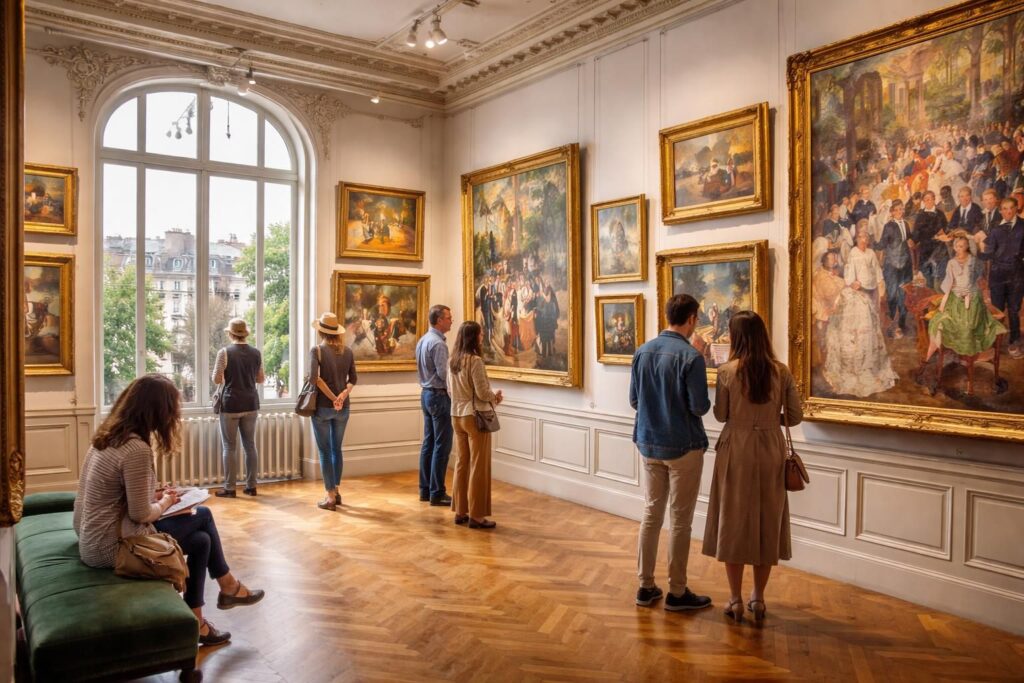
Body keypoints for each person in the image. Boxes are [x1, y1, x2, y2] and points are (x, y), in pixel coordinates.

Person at [74, 374, 264, 646]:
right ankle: (227, 586)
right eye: (172, 409)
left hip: (93, 538)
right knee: (205, 516)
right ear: (157, 411)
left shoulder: (107, 437)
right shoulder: (136, 448)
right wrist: (165, 503)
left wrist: (157, 496)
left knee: (201, 541)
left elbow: (117, 499)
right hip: (110, 547)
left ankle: (198, 619)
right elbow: (141, 515)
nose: (174, 416)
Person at [702, 311, 802, 624]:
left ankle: (734, 599)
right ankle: (758, 598)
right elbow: (796, 416)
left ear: (737, 337)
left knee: (733, 520)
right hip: (770, 448)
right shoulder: (781, 371)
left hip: (736, 448)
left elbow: (720, 414)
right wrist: (773, 420)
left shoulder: (727, 371)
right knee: (766, 522)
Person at [629, 293, 713, 612]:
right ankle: (677, 591)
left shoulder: (642, 351)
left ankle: (645, 586)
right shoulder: (691, 357)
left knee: (651, 514)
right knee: (680, 520)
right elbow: (699, 407)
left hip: (649, 443)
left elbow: (634, 401)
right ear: (691, 319)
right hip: (683, 447)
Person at [823, 230, 899, 397]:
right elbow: (849, 275)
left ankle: (871, 365)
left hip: (870, 290)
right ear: (857, 239)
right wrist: (853, 283)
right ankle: (857, 366)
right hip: (858, 292)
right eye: (861, 238)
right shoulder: (853, 253)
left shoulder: (871, 253)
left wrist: (880, 285)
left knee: (872, 328)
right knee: (859, 329)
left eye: (866, 238)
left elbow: (877, 271)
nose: (864, 240)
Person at [447, 321, 504, 529]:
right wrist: (495, 397)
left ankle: (460, 511)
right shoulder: (475, 361)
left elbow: (450, 390)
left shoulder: (453, 360)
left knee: (462, 463)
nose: (482, 338)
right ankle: (477, 516)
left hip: (456, 416)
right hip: (475, 417)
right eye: (480, 335)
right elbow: (482, 392)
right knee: (478, 466)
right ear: (473, 337)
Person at [923, 233, 1007, 366]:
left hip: (972, 298)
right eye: (957, 246)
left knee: (969, 325)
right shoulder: (951, 262)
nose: (959, 248)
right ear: (954, 247)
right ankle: (949, 353)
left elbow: (978, 280)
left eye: (962, 246)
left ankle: (968, 354)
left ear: (967, 246)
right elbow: (948, 283)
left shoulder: (974, 261)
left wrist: (969, 292)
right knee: (942, 322)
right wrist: (948, 297)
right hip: (955, 298)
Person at [309, 312, 358, 511]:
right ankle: (336, 491)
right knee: (337, 449)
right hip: (343, 408)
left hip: (322, 406)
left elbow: (315, 379)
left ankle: (330, 497)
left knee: (325, 450)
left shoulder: (317, 350)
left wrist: (332, 398)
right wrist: (342, 397)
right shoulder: (348, 351)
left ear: (321, 330)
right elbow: (353, 379)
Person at [212, 318, 264, 498]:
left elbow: (217, 379)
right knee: (250, 445)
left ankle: (230, 488)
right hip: (251, 403)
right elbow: (260, 379)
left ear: (230, 333)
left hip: (231, 405)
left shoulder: (224, 352)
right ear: (245, 334)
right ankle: (251, 486)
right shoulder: (256, 353)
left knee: (229, 447)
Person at [416, 304, 454, 506]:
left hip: (426, 395)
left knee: (428, 444)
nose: (451, 320)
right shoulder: (439, 344)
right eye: (448, 317)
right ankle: (437, 492)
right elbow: (443, 375)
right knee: (442, 445)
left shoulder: (423, 340)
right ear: (439, 320)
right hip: (438, 397)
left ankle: (425, 490)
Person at [980, 197, 1024, 359]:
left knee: (1013, 310)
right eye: (1004, 209)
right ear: (1000, 211)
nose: (1007, 212)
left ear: (1016, 209)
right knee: (997, 309)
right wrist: (979, 243)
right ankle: (995, 342)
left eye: (1010, 208)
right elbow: (986, 254)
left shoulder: (1022, 226)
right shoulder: (996, 229)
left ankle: (1013, 342)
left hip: (1016, 276)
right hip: (998, 276)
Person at [877, 200, 913, 338]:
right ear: (892, 212)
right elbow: (881, 244)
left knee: (904, 293)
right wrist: (872, 243)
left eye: (901, 209)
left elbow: (910, 239)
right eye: (897, 210)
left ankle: (902, 323)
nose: (900, 212)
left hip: (906, 264)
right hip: (891, 265)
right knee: (892, 294)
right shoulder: (889, 226)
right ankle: (892, 322)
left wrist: (911, 241)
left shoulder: (906, 224)